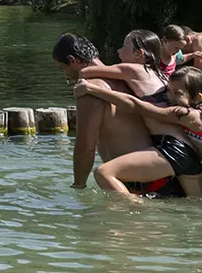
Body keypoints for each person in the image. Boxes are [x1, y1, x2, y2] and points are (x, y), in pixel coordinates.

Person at [77, 66, 202, 203]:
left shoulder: (187, 115)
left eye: (176, 93)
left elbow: (137, 106)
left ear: (197, 97)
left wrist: (93, 89)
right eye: (168, 91)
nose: (169, 97)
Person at [54, 33, 191, 198]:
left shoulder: (90, 90)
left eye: (63, 68)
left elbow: (85, 149)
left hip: (142, 187)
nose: (64, 76)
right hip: (169, 175)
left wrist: (78, 188)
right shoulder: (124, 78)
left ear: (72, 60)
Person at [78, 30, 169, 105]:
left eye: (123, 47)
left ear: (138, 54)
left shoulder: (131, 69)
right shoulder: (158, 73)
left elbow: (84, 72)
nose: (118, 51)